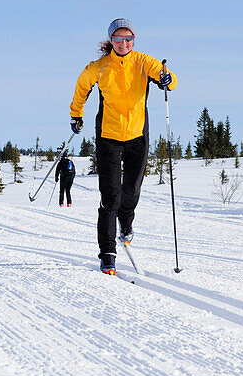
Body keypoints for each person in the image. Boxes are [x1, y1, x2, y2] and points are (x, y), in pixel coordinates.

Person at [69, 18, 176, 274]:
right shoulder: (100, 66)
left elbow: (170, 79)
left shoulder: (142, 61)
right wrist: (76, 114)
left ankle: (126, 225)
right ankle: (107, 252)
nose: (124, 43)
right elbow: (82, 86)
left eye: (129, 39)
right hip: (108, 136)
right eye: (118, 39)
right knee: (110, 196)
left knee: (132, 192)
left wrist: (165, 79)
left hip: (138, 135)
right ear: (111, 41)